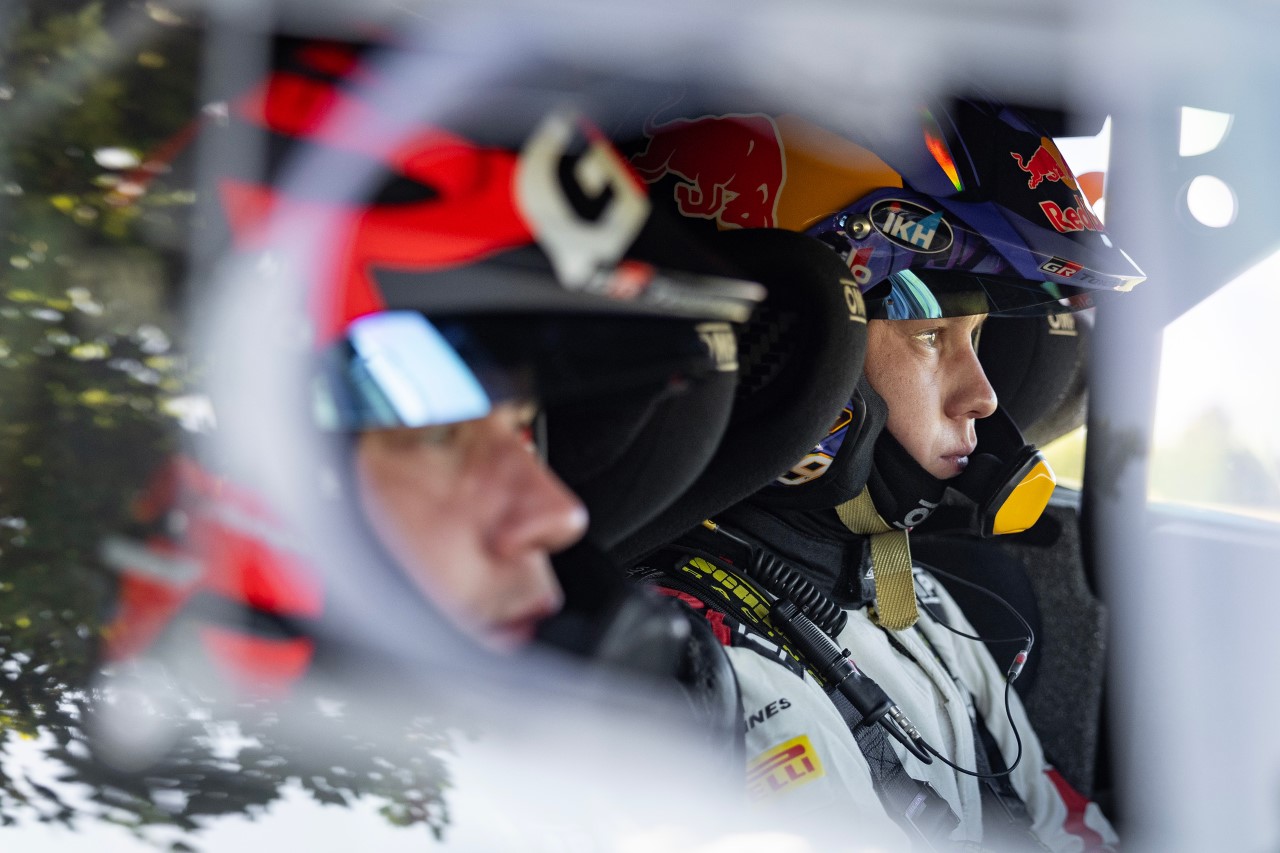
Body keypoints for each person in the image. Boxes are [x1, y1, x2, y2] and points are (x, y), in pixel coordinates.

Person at [624, 97, 1145, 851]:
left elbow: (1061, 827)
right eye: (931, 335)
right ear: (790, 350)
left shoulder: (915, 597)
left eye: (977, 339)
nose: (984, 395)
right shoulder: (715, 666)